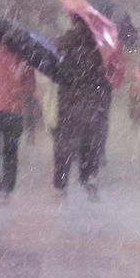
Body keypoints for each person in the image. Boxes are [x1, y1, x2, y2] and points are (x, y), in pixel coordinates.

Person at [53, 14, 111, 199]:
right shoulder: (99, 48)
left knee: (65, 144)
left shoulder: (66, 45)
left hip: (69, 104)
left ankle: (61, 184)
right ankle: (89, 178)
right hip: (92, 103)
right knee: (89, 143)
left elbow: (58, 73)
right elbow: (104, 79)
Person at [0, 44, 35, 204]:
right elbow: (30, 88)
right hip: (14, 112)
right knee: (10, 152)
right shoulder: (24, 60)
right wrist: (17, 80)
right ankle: (6, 189)